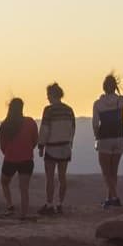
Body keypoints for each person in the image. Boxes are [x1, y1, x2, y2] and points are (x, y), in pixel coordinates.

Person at [91, 72, 123, 209]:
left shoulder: (98, 104)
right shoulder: (120, 101)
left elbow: (95, 124)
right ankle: (109, 198)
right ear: (115, 87)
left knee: (106, 172)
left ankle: (115, 197)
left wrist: (96, 137)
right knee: (113, 171)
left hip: (105, 139)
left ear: (104, 87)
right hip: (119, 138)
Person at [38, 83, 76, 215]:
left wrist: (41, 145)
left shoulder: (49, 110)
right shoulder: (69, 110)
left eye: (48, 95)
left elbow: (44, 129)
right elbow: (72, 129)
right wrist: (70, 143)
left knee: (50, 178)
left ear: (52, 95)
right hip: (65, 147)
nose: (47, 97)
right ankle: (60, 204)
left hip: (52, 148)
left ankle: (49, 204)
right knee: (62, 177)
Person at [0, 96, 39, 217]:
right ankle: (24, 214)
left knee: (4, 182)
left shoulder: (5, 125)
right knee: (24, 188)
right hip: (27, 159)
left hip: (10, 159)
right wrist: (28, 149)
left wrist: (9, 153)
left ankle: (10, 205)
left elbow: (2, 145)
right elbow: (35, 140)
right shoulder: (30, 122)